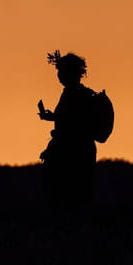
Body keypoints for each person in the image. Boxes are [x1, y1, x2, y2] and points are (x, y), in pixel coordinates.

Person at [38, 51, 97, 210]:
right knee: (77, 199)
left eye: (61, 71)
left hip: (70, 153)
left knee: (64, 198)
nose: (59, 75)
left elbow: (70, 126)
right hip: (82, 151)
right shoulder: (80, 93)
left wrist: (52, 150)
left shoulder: (74, 94)